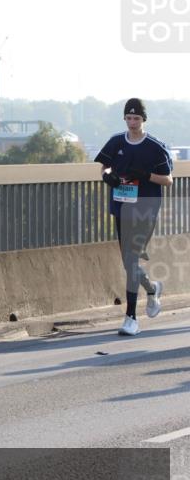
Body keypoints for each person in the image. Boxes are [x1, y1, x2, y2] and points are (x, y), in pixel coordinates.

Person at [95, 98, 173, 336]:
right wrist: (107, 176)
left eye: (136, 118)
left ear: (143, 119)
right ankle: (152, 288)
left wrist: (146, 175)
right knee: (129, 262)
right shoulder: (116, 142)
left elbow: (168, 179)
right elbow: (104, 167)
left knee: (131, 260)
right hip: (121, 206)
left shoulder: (155, 147)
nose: (132, 123)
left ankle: (131, 317)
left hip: (145, 209)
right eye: (128, 118)